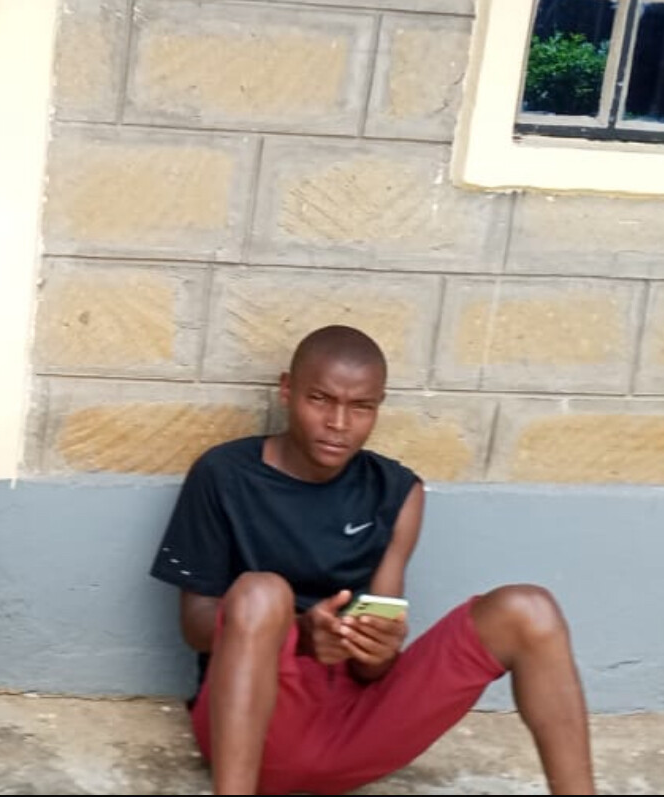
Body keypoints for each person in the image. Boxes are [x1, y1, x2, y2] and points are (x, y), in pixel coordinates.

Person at [149, 324, 595, 795]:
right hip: (249, 729)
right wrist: (298, 634)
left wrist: (377, 650)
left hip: (354, 727)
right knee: (263, 592)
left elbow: (374, 666)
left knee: (529, 610)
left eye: (361, 407)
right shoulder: (224, 474)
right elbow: (196, 625)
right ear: (287, 390)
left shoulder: (395, 492)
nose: (338, 423)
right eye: (320, 399)